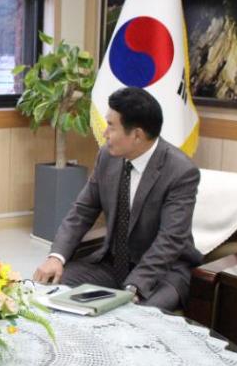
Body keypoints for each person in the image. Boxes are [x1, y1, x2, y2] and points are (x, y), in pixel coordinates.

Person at [33, 86, 203, 311]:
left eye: (111, 126)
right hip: (111, 266)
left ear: (137, 135)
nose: (105, 133)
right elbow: (82, 211)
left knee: (139, 316)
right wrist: (57, 257)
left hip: (162, 272)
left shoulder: (181, 171)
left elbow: (170, 240)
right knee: (50, 291)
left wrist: (135, 285)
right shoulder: (107, 156)